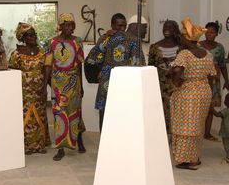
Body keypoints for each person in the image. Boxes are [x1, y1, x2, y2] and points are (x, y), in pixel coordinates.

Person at [170, 17, 216, 170]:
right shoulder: (207, 54)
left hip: (188, 92)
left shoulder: (185, 54)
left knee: (186, 126)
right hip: (204, 91)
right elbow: (212, 76)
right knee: (197, 126)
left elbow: (177, 71)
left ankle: (189, 161)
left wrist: (176, 81)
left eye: (182, 37)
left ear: (186, 38)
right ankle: (195, 156)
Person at [87, 14, 146, 131]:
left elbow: (92, 58)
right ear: (112, 25)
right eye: (119, 26)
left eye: (124, 26)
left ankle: (109, 145)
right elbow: (139, 64)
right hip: (116, 82)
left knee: (113, 114)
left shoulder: (108, 39)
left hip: (115, 82)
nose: (122, 28)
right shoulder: (131, 40)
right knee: (111, 114)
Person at [44, 13, 86, 161]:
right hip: (58, 84)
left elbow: (80, 63)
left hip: (74, 82)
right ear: (60, 26)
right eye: (66, 25)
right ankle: (60, 148)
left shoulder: (77, 41)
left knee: (75, 113)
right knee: (59, 115)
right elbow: (48, 65)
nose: (69, 28)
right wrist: (45, 85)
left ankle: (78, 140)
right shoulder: (52, 42)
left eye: (71, 25)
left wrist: (81, 85)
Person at [9, 22, 49, 154]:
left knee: (40, 116)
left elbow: (45, 71)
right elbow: (12, 73)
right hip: (23, 91)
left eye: (34, 34)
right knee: (25, 116)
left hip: (39, 91)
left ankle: (40, 145)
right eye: (29, 35)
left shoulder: (42, 52)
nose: (33, 37)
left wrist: (44, 89)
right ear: (23, 38)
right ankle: (26, 146)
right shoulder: (16, 54)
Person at [148, 20, 181, 134]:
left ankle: (175, 135)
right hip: (160, 86)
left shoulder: (181, 48)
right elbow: (150, 67)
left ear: (175, 30)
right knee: (160, 111)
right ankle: (161, 135)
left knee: (176, 111)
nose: (167, 30)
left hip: (177, 86)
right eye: (165, 27)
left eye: (170, 28)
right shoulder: (154, 47)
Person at [199, 21, 229, 141]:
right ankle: (197, 132)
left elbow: (222, 65)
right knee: (199, 107)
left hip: (214, 81)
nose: (209, 35)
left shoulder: (220, 48)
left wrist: (227, 80)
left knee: (210, 107)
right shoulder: (198, 45)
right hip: (200, 80)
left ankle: (207, 133)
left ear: (216, 34)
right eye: (207, 32)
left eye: (212, 33)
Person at [212, 92, 229, 164]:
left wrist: (211, 108)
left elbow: (217, 114)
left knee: (228, 145)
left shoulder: (226, 110)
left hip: (228, 132)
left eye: (226, 100)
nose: (224, 101)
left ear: (228, 102)